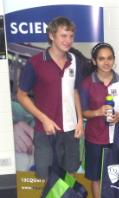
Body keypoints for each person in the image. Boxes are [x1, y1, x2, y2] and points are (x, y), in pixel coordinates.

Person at [16, 16, 84, 178]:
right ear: (51, 36)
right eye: (63, 36)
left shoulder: (74, 60)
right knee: (46, 177)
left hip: (70, 130)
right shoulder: (35, 62)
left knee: (70, 173)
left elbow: (74, 91)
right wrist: (44, 119)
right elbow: (21, 95)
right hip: (45, 131)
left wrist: (80, 120)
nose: (68, 40)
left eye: (71, 36)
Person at [80, 42, 119, 198]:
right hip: (95, 138)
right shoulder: (87, 83)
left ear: (114, 59)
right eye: (101, 59)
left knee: (118, 176)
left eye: (109, 58)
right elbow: (82, 111)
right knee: (96, 177)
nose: (106, 62)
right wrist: (97, 112)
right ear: (94, 61)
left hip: (118, 138)